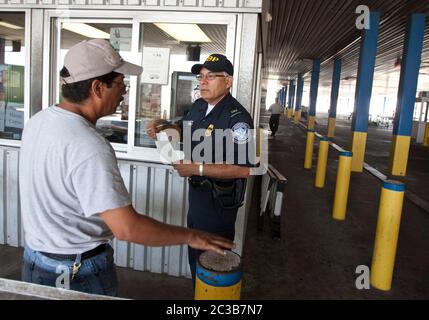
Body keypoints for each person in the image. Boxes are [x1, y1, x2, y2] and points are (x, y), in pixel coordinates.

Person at [19, 39, 233, 296]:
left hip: (36, 260)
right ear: (98, 88)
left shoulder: (38, 121)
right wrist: (192, 237)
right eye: (120, 85)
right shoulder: (89, 145)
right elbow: (127, 228)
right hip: (76, 271)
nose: (124, 92)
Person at [146, 54, 255, 280]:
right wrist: (163, 127)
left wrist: (197, 169)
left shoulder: (238, 119)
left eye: (211, 76)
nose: (203, 81)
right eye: (201, 76)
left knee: (212, 262)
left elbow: (244, 169)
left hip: (219, 203)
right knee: (195, 258)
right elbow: (184, 130)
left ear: (228, 81)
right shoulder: (198, 106)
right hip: (197, 196)